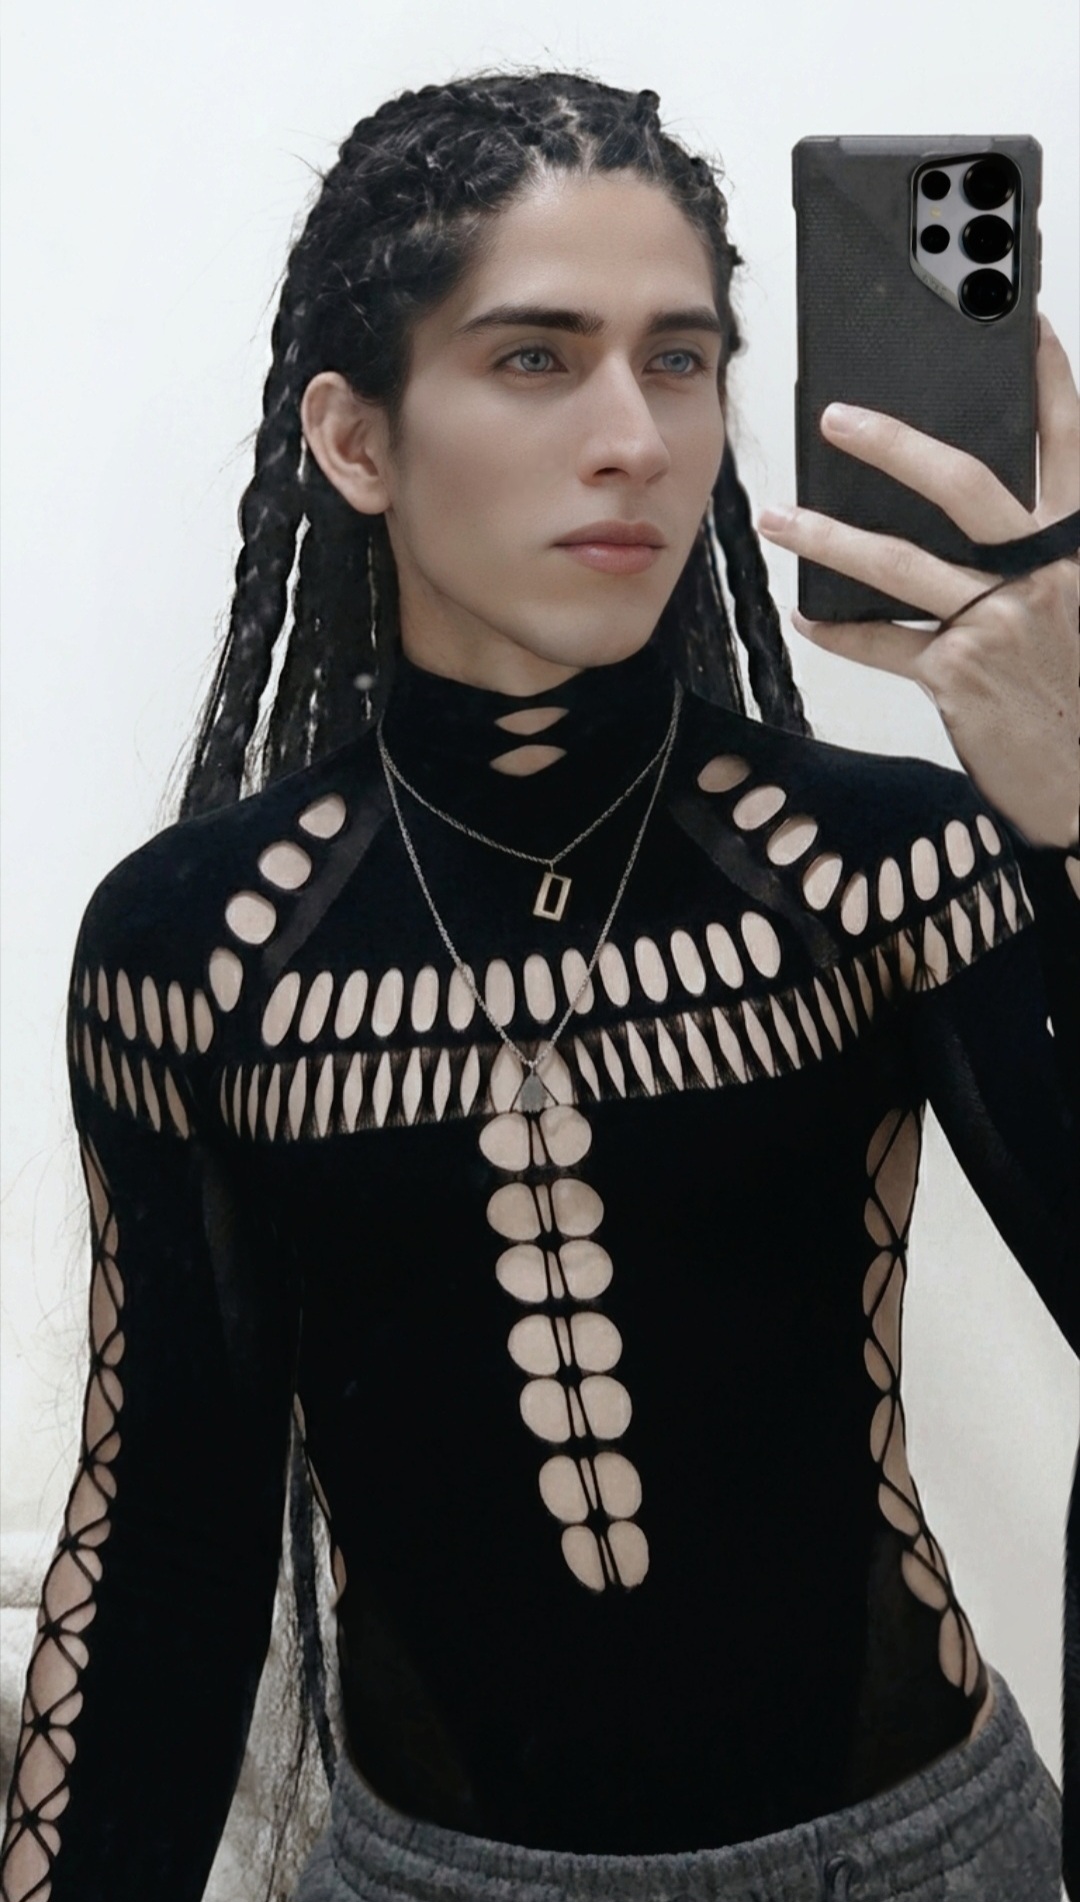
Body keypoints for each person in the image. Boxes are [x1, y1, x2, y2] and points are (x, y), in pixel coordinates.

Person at [1, 69, 1077, 1902]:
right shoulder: (196, 949)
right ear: (355, 440)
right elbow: (167, 1542)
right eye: (534, 357)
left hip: (917, 1861)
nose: (636, 438)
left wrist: (1077, 811)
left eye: (681, 359)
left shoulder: (894, 864)